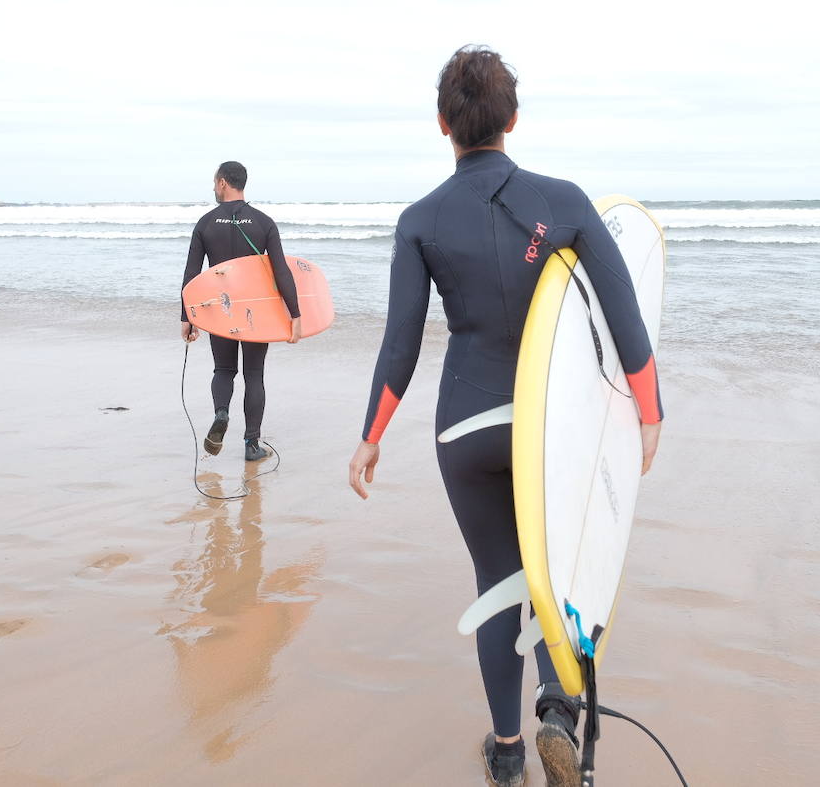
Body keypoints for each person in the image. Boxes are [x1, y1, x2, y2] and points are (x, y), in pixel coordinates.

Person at [346, 47, 664, 787]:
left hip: (465, 431)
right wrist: (649, 413)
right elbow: (625, 320)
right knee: (561, 564)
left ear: (442, 123)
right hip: (547, 430)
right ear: (513, 119)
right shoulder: (562, 202)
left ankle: (510, 751)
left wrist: (370, 437)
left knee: (498, 577)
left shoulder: (419, 220)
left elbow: (400, 346)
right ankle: (559, 706)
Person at [180, 161, 302, 461]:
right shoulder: (263, 222)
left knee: (223, 370)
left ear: (223, 182)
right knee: (254, 374)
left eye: (214, 183)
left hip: (220, 309)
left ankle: (222, 412)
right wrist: (295, 314)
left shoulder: (206, 223)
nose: (213, 188)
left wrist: (187, 317)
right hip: (255, 313)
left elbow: (192, 274)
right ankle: (251, 444)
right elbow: (281, 272)